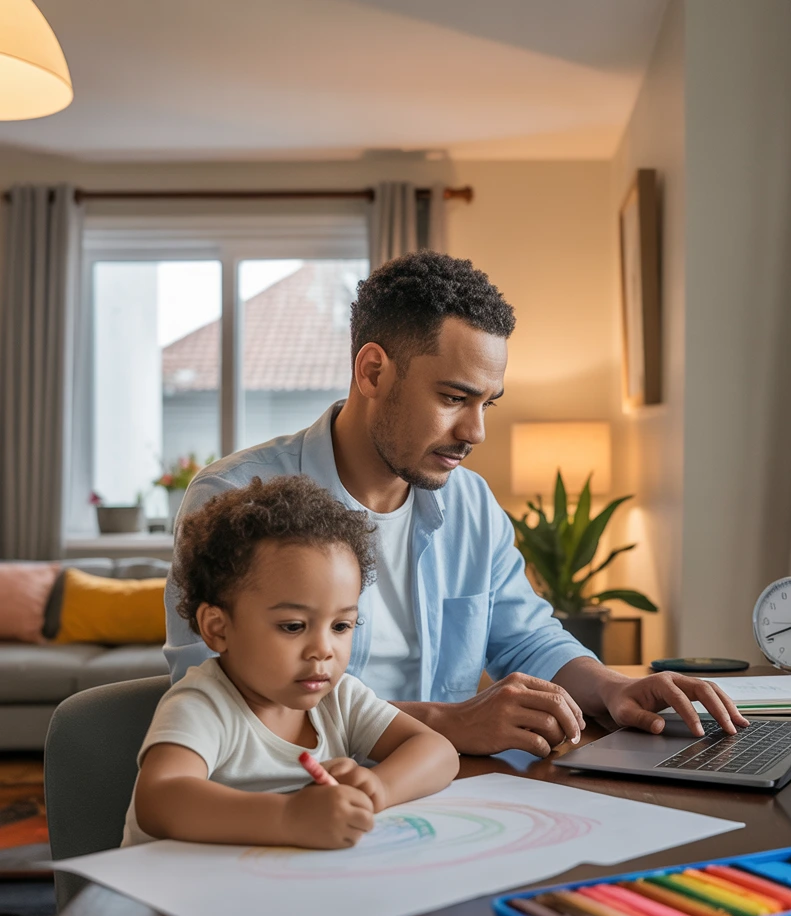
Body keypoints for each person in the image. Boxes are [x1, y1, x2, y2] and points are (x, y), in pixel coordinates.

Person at [165, 251, 747, 757]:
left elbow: (525, 637)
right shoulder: (235, 499)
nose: (476, 432)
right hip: (293, 802)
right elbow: (218, 697)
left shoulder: (469, 501)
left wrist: (610, 687)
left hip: (446, 789)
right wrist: (447, 723)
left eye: (488, 403)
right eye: (452, 398)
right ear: (372, 371)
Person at [125, 476, 459, 848]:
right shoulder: (203, 704)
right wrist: (288, 818)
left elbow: (439, 751)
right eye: (293, 626)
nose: (323, 649)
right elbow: (159, 800)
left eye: (341, 625)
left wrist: (380, 787)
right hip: (176, 897)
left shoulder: (340, 699)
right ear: (218, 628)